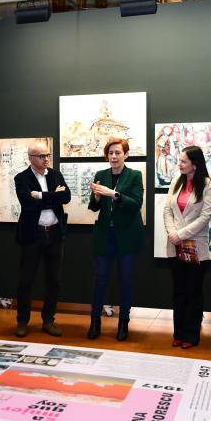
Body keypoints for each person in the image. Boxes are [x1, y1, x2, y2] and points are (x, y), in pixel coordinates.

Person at [87, 138, 144, 341]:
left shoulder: (135, 175)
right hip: (105, 235)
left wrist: (113, 194)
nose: (113, 156)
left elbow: (135, 204)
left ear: (125, 155)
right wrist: (97, 197)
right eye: (110, 153)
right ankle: (95, 321)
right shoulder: (101, 175)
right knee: (99, 279)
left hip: (127, 235)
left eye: (117, 152)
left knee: (126, 280)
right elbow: (93, 207)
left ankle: (123, 322)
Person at [162, 145, 211, 349]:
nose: (179, 164)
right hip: (174, 246)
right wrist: (172, 233)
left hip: (196, 248)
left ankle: (191, 334)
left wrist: (181, 234)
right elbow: (167, 211)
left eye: (183, 161)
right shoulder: (176, 181)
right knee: (179, 291)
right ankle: (178, 333)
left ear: (195, 164)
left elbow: (205, 217)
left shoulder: (209, 185)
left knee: (193, 291)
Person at [13, 141, 71, 338]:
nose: (46, 159)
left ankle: (48, 320)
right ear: (31, 158)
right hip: (32, 235)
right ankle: (22, 321)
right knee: (26, 280)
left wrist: (40, 195)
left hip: (54, 233)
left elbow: (66, 197)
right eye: (41, 156)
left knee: (54, 280)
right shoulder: (22, 178)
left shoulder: (55, 175)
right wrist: (53, 196)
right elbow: (28, 204)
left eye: (47, 155)